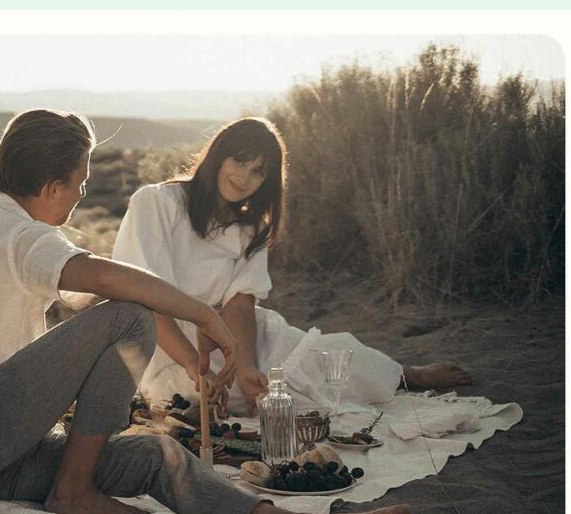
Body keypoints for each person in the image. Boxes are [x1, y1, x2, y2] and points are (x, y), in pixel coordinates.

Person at [0, 109, 408, 514]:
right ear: (52, 188)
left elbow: (69, 313)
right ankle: (73, 491)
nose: (83, 193)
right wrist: (205, 318)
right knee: (130, 316)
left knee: (151, 454)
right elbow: (108, 281)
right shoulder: (19, 235)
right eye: (80, 183)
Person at [111, 117, 471, 417]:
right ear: (218, 155)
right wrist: (193, 363)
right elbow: (144, 296)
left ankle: (402, 375)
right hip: (164, 339)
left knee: (314, 362)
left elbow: (239, 304)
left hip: (232, 338)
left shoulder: (249, 227)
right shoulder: (157, 202)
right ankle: (211, 383)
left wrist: (245, 365)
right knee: (201, 398)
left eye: (258, 172)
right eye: (239, 161)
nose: (244, 178)